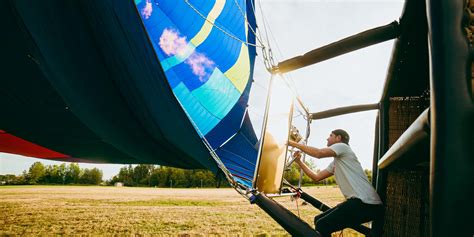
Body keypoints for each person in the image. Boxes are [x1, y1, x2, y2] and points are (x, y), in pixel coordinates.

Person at [287, 129, 383, 237]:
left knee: (323, 225)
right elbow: (316, 177)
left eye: (330, 135)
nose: (327, 138)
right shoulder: (336, 162)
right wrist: (299, 162)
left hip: (365, 203)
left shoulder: (343, 146)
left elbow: (319, 153)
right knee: (318, 220)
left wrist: (292, 143)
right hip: (361, 204)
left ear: (338, 138)